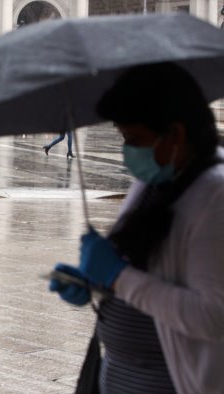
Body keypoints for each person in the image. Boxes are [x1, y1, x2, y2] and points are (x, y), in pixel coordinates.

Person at [49, 62, 224, 393]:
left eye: (135, 138)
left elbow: (213, 315)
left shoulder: (215, 197)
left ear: (175, 134)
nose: (127, 150)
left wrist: (117, 276)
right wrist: (94, 282)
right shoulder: (153, 181)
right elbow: (149, 277)